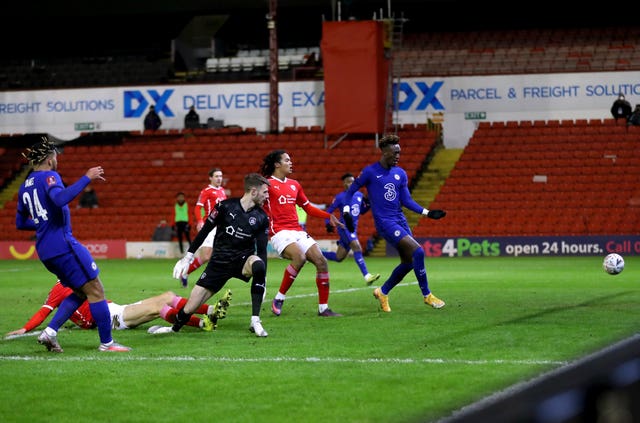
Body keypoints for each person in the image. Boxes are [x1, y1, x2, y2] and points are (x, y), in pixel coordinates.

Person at [15, 136, 130, 352]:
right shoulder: (49, 176)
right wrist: (87, 177)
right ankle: (107, 343)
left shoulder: (24, 187)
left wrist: (43, 225)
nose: (57, 160)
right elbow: (59, 199)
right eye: (56, 156)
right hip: (63, 245)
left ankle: (49, 333)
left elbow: (20, 223)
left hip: (45, 250)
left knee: (80, 291)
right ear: (50, 159)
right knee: (96, 289)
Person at [342, 134, 447, 313]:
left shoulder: (400, 173)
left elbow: (406, 200)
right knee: (419, 252)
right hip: (385, 223)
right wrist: (346, 212)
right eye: (395, 153)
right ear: (384, 152)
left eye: (399, 153)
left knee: (408, 263)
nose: (398, 156)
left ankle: (382, 292)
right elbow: (350, 192)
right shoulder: (370, 172)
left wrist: (427, 212)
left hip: (400, 220)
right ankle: (427, 295)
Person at [160, 173, 271, 337]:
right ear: (253, 191)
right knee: (191, 306)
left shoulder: (261, 217)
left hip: (242, 261)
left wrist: (263, 277)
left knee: (258, 264)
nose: (267, 196)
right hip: (218, 263)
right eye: (265, 192)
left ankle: (255, 320)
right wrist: (188, 257)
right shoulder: (224, 207)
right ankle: (174, 328)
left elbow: (261, 251)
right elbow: (204, 232)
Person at [260, 149, 344, 317]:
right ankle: (279, 298)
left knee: (321, 262)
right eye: (287, 160)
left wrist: (328, 216)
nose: (291, 163)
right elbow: (255, 205)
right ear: (277, 164)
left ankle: (323, 309)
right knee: (300, 257)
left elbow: (307, 207)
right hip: (279, 232)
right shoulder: (267, 184)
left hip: (297, 230)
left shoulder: (294, 184)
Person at [5, 280, 228, 337]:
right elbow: (44, 311)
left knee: (168, 296)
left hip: (115, 309)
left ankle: (209, 313)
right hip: (112, 320)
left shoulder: (76, 278)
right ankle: (202, 322)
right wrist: (25, 329)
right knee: (159, 306)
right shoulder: (58, 289)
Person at [323, 172, 380, 285]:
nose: (352, 184)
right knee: (356, 247)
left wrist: (368, 204)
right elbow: (328, 212)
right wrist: (328, 224)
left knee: (339, 257)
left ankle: (313, 253)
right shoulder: (339, 197)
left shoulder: (359, 196)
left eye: (353, 182)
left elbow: (361, 211)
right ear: (344, 184)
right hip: (345, 228)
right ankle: (367, 276)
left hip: (353, 228)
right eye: (349, 182)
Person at [175, 168, 227, 287]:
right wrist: (200, 221)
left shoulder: (222, 191)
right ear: (210, 178)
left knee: (218, 254)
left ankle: (213, 279)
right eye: (216, 176)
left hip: (221, 227)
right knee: (205, 256)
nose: (219, 178)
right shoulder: (206, 191)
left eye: (221, 176)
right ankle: (185, 272)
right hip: (211, 226)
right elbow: (198, 207)